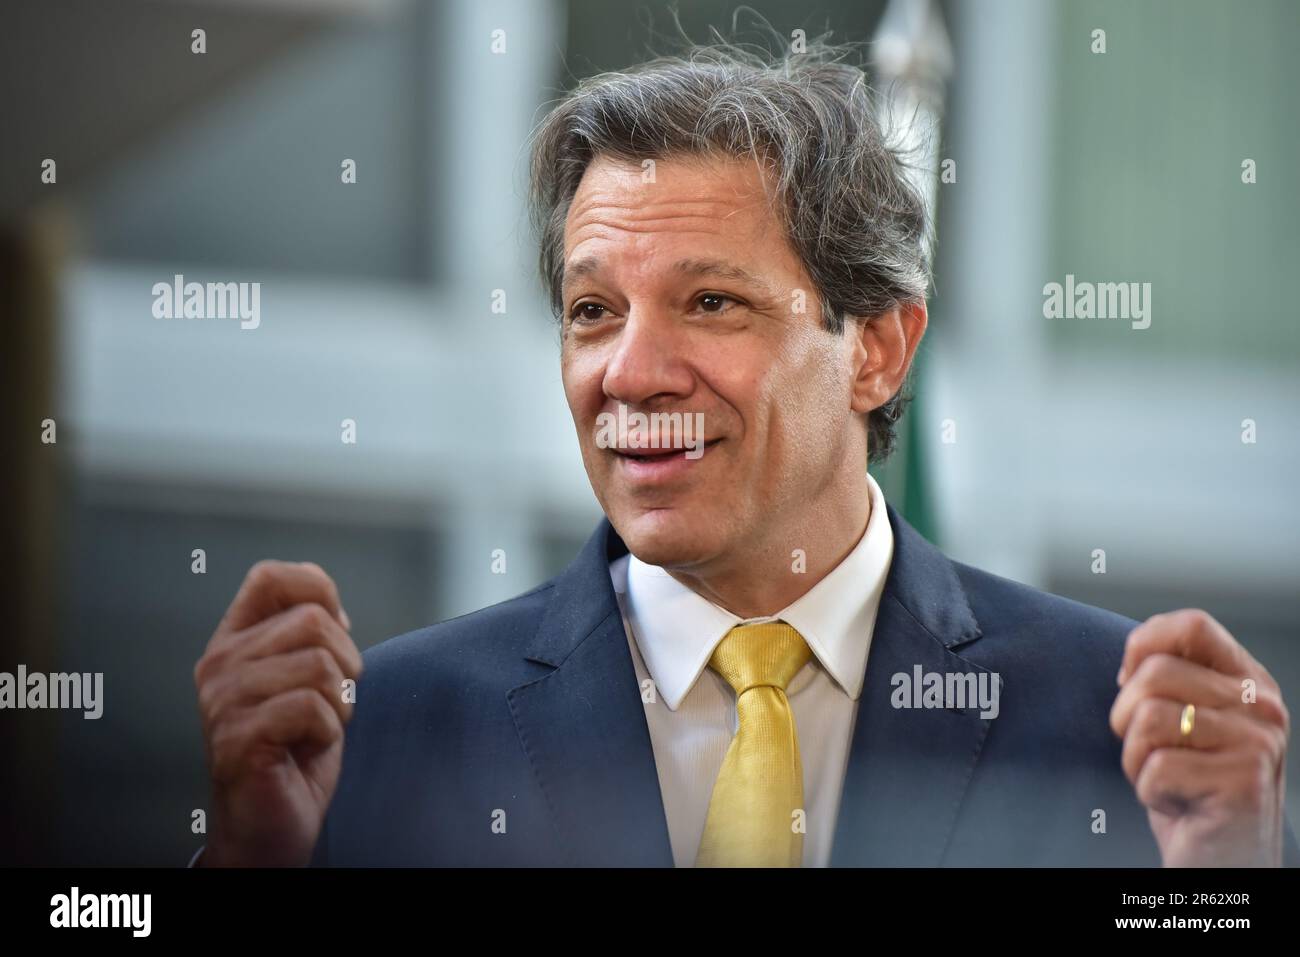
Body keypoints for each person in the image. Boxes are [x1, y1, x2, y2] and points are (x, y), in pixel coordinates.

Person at [191, 42, 1295, 867]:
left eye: (709, 301)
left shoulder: (1118, 733)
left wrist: (1229, 876)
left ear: (874, 349)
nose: (628, 372)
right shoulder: (375, 734)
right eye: (590, 311)